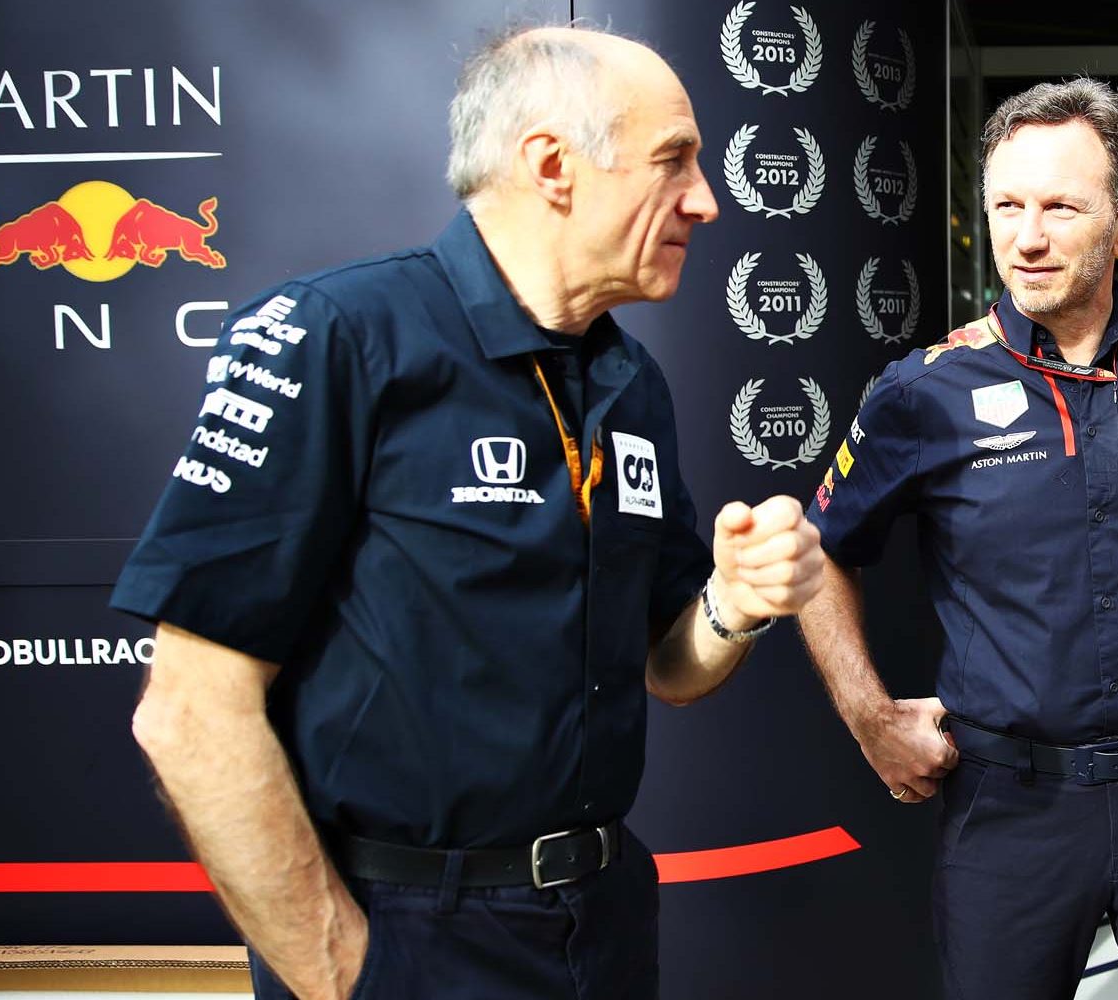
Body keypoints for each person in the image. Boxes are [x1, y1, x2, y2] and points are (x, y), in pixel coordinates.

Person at [111, 25, 825, 1000]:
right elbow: (190, 714)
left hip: (603, 921)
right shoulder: (337, 336)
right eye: (674, 161)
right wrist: (346, 975)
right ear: (551, 165)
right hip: (406, 934)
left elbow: (667, 663)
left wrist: (734, 603)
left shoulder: (631, 383)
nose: (706, 197)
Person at [797, 78, 1118, 1000]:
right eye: (1008, 205)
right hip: (1008, 812)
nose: (1027, 237)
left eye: (1060, 207)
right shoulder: (925, 390)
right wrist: (871, 720)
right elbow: (818, 550)